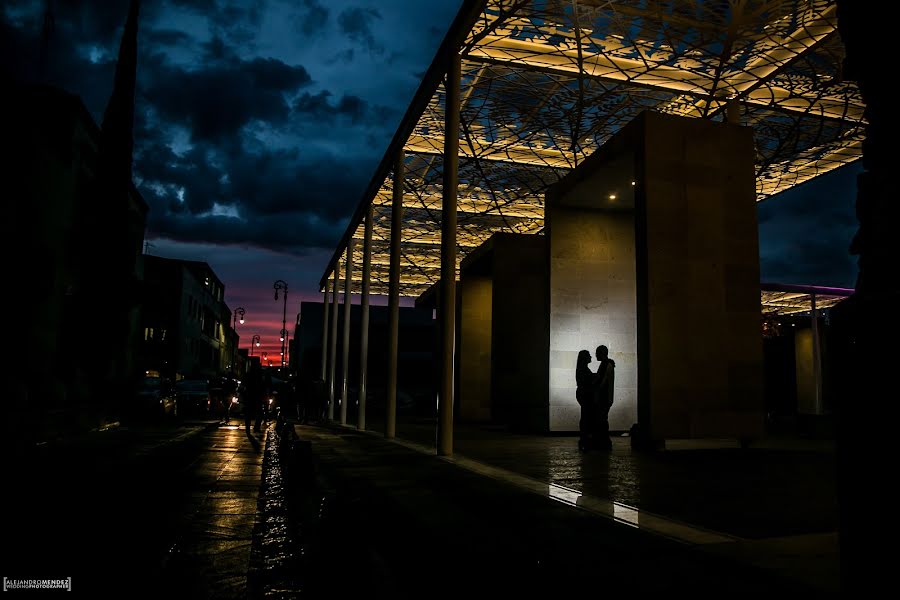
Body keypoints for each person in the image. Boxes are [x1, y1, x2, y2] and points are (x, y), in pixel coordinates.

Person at [594, 345, 616, 450]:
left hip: (604, 398)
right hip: (606, 397)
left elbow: (602, 383)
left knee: (601, 420)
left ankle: (604, 442)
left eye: (597, 353)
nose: (595, 355)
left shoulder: (605, 365)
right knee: (602, 419)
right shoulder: (608, 364)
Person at [575, 350, 598, 451]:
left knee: (585, 415)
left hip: (582, 394)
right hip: (585, 394)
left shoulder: (582, 368)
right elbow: (588, 380)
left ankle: (584, 438)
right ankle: (585, 438)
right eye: (589, 356)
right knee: (586, 416)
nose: (591, 357)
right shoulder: (583, 369)